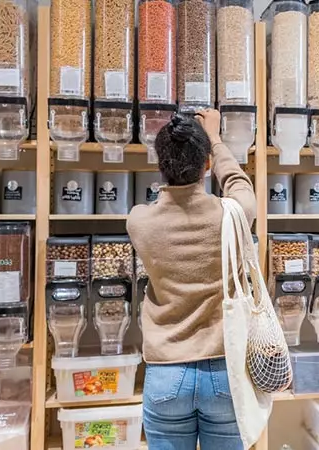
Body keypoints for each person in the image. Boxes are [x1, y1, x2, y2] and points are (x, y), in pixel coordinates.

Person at [127, 109, 256, 450]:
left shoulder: (139, 222)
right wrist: (214, 139)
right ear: (207, 166)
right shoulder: (233, 214)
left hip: (166, 372)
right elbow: (239, 184)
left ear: (160, 166)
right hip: (224, 372)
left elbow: (164, 202)